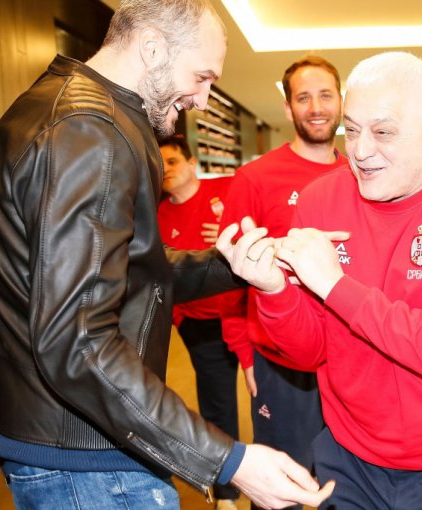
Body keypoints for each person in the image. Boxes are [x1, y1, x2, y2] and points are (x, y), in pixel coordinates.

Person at [0, 1, 334, 509]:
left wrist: (239, 264)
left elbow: (131, 269)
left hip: (78, 443)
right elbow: (77, 343)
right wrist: (227, 460)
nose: (203, 100)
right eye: (202, 77)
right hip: (90, 461)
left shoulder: (76, 113)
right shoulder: (87, 130)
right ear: (151, 47)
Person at [218, 51, 422, 509]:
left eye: (383, 132)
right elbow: (310, 352)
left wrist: (335, 285)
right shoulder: (321, 200)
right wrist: (274, 290)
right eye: (352, 130)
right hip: (350, 457)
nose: (361, 151)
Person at [218, 56, 346, 506]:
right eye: (303, 97)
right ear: (288, 107)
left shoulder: (361, 175)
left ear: (341, 100)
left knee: (346, 486)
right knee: (281, 489)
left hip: (350, 356)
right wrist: (244, 352)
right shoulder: (255, 179)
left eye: (325, 95)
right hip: (281, 363)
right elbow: (229, 276)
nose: (316, 107)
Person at [156, 134, 240, 509]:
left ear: (192, 163)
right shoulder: (157, 215)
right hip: (201, 327)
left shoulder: (230, 189)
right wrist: (179, 318)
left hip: (247, 317)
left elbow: (266, 225)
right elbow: (158, 272)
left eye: (172, 161)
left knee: (267, 401)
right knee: (218, 407)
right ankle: (226, 492)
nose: (166, 170)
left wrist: (233, 225)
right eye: (160, 165)